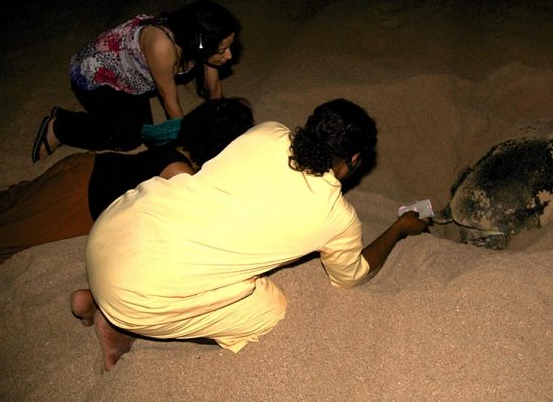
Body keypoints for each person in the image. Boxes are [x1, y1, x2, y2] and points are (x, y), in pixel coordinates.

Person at [70, 98, 431, 371]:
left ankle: (100, 295)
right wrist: (398, 229)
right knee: (270, 311)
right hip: (136, 296)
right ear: (353, 161)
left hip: (115, 225)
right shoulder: (335, 217)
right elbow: (352, 277)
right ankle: (119, 323)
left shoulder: (268, 131)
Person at [0, 98, 254, 285]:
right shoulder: (180, 173)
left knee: (5, 204)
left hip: (84, 167)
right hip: (75, 200)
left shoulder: (179, 147)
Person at [31, 0, 241, 162]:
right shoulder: (162, 47)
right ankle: (59, 128)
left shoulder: (199, 38)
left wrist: (217, 130)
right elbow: (171, 104)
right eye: (222, 50)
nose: (230, 56)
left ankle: (73, 117)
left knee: (143, 130)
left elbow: (213, 89)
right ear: (201, 44)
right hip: (96, 77)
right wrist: (190, 148)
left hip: (130, 81)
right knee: (129, 138)